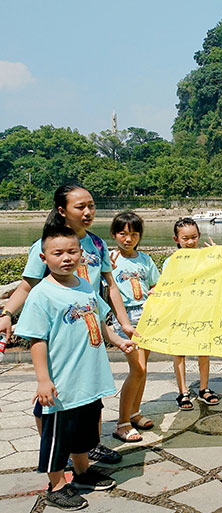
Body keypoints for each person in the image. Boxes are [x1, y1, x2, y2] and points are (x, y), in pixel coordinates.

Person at [0, 184, 127, 464]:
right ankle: (56, 450)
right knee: (52, 393)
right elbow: (26, 285)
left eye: (91, 206)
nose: (88, 212)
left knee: (89, 389)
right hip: (61, 331)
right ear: (62, 210)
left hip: (89, 326)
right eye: (80, 207)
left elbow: (111, 286)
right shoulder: (46, 246)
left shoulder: (96, 244)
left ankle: (88, 445)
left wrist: (122, 324)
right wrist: (7, 313)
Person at [14, 225, 135, 510]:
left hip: (88, 377)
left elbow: (98, 319)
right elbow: (36, 340)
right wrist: (43, 381)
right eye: (58, 253)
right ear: (44, 259)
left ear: (82, 254)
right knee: (59, 436)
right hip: (62, 383)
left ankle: (82, 473)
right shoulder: (42, 294)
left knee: (85, 432)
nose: (66, 258)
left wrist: (117, 339)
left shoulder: (84, 285)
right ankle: (56, 484)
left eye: (72, 252)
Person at [109, 211, 161, 442]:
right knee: (136, 369)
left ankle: (134, 412)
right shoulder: (110, 260)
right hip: (125, 318)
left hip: (146, 315)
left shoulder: (145, 260)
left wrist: (156, 290)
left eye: (133, 234)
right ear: (114, 234)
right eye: (123, 233)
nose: (128, 239)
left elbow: (157, 283)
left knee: (143, 368)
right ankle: (122, 422)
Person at [165, 218, 218, 410]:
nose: (190, 242)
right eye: (185, 238)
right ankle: (183, 391)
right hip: (179, 312)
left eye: (194, 237)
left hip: (202, 310)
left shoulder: (207, 257)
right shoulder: (171, 262)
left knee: (203, 350)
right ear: (176, 239)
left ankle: (204, 388)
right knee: (179, 352)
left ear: (199, 236)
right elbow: (165, 287)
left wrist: (217, 254)